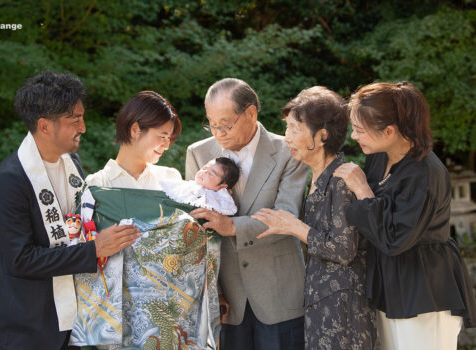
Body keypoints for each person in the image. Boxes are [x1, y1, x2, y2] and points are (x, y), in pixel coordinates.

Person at [0, 70, 140, 350]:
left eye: (82, 116)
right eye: (74, 120)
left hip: (79, 325)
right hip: (30, 330)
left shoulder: (72, 162)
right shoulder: (9, 180)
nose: (83, 127)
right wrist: (94, 250)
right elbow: (21, 259)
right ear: (45, 126)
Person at [333, 81, 476, 349]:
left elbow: (394, 239)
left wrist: (363, 190)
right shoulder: (379, 156)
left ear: (389, 131)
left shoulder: (425, 173)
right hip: (389, 284)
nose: (354, 136)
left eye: (360, 130)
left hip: (424, 289)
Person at [186, 78, 309, 350]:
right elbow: (195, 231)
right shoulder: (198, 154)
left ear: (251, 113)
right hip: (227, 298)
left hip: (280, 295)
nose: (218, 132)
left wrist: (232, 226)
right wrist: (211, 291)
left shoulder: (288, 152)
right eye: (211, 123)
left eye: (225, 124)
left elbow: (286, 215)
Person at [251, 86, 376, 349]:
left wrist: (294, 226)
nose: (287, 138)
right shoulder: (318, 178)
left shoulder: (341, 179)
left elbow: (343, 249)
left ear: (321, 136)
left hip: (343, 309)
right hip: (322, 302)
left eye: (294, 129)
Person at [84, 90, 183, 349]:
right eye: (161, 136)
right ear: (136, 129)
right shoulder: (96, 184)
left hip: (166, 305)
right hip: (115, 310)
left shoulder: (170, 179)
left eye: (169, 138)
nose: (167, 144)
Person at [160, 156, 239, 215]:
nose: (204, 172)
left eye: (211, 174)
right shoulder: (188, 186)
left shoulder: (220, 197)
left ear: (222, 186)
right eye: (204, 168)